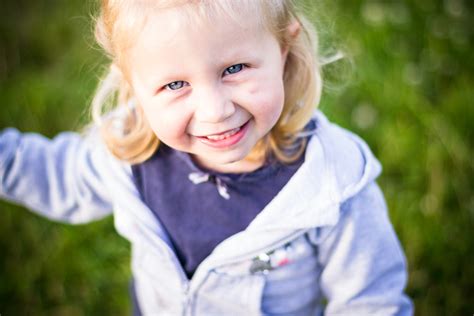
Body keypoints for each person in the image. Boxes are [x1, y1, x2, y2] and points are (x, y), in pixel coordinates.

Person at [0, 0, 413, 315]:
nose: (215, 110)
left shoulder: (331, 184)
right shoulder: (129, 152)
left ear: (284, 48)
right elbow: (50, 174)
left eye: (235, 68)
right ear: (133, 83)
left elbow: (371, 298)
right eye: (176, 83)